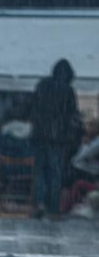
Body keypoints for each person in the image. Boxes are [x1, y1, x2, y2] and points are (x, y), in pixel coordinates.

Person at [30, 59, 82, 218]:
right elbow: (72, 115)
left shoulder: (42, 85)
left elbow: (33, 108)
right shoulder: (68, 90)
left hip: (40, 136)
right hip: (58, 139)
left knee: (40, 172)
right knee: (55, 174)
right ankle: (53, 208)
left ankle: (39, 203)